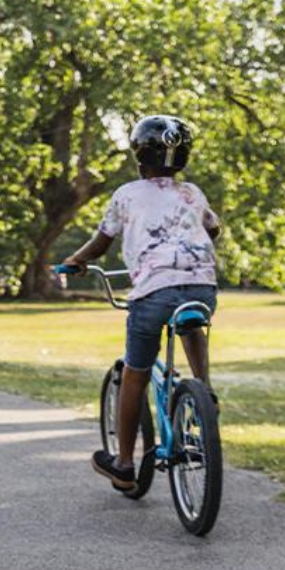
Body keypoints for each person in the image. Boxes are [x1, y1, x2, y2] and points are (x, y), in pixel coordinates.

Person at [63, 114, 220, 490]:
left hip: (153, 292)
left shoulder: (127, 194)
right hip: (202, 287)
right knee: (191, 324)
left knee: (136, 372)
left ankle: (123, 464)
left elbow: (101, 243)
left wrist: (76, 261)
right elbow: (213, 229)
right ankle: (204, 390)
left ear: (139, 157)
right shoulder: (193, 193)